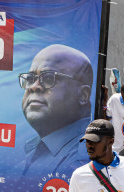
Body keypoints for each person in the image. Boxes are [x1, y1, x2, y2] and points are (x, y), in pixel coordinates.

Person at [19, 44, 93, 176]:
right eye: (30, 79)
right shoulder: (33, 152)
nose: (34, 87)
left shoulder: (81, 161)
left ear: (83, 95)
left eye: (48, 78)